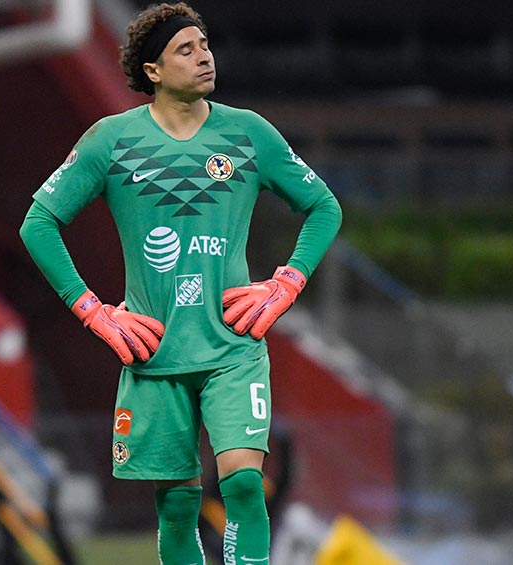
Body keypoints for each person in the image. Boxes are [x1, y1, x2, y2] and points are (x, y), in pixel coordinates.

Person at [19, 3, 341, 563]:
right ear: (153, 70)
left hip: (232, 347)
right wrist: (92, 310)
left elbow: (324, 207)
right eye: (185, 50)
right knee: (176, 505)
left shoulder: (248, 133)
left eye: (205, 45)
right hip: (154, 353)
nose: (204, 57)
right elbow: (38, 223)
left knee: (245, 485)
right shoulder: (111, 141)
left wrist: (286, 283)